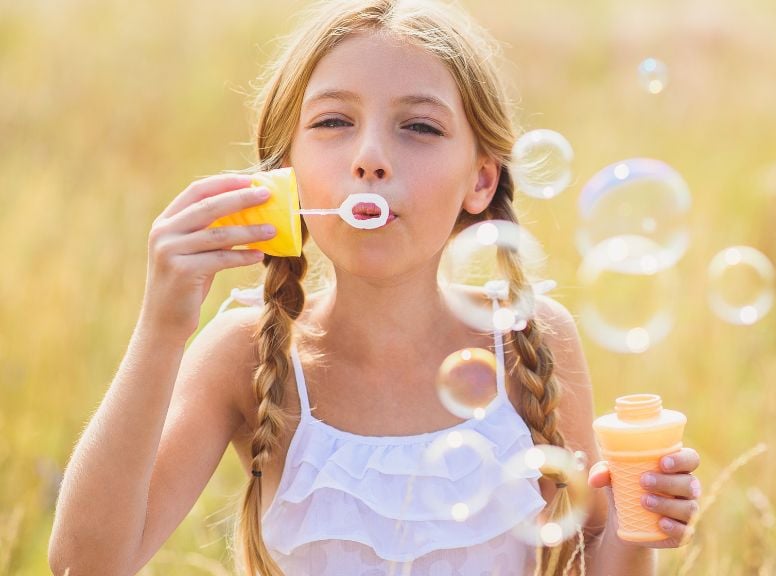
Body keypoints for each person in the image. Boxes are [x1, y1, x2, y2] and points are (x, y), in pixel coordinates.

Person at [47, 1, 701, 574]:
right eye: (333, 123)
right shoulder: (245, 354)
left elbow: (589, 560)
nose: (370, 156)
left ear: (479, 180)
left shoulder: (533, 339)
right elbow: (86, 564)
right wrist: (162, 328)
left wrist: (636, 521)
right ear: (289, 176)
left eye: (418, 127)